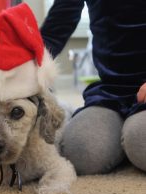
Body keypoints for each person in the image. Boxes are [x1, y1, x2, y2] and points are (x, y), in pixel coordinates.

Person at [40, 0, 146, 175]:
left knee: (140, 141)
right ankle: (121, 138)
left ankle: (128, 136)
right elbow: (58, 24)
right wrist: (22, 65)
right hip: (112, 90)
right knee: (80, 151)